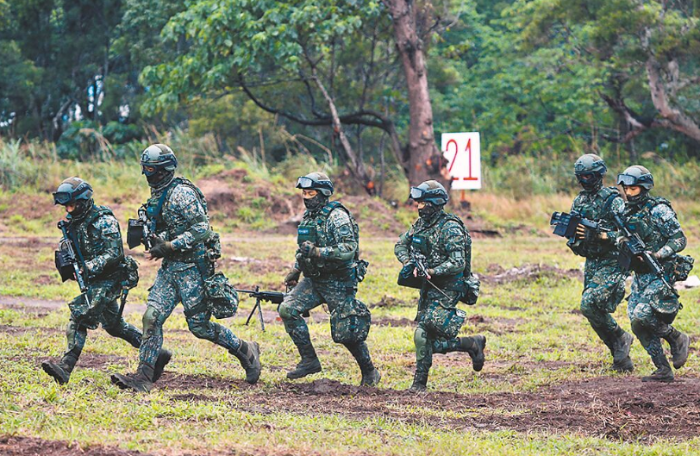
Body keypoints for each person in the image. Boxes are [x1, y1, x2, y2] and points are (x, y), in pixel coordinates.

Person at [111, 144, 260, 392]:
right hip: (171, 269)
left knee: (200, 327)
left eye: (152, 169)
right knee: (151, 317)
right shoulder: (158, 195)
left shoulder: (182, 194)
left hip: (194, 267)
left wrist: (170, 245)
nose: (148, 174)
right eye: (145, 169)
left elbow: (203, 229)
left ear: (165, 170)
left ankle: (246, 350)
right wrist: (155, 240)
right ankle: (143, 377)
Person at [43, 177, 171, 384]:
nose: (68, 210)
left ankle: (65, 366)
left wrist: (87, 267)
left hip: (112, 278)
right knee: (114, 326)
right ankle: (157, 354)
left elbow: (114, 254)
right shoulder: (73, 222)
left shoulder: (104, 221)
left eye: (72, 205)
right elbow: (69, 246)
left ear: (83, 201)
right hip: (94, 280)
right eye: (65, 206)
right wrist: (67, 261)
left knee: (79, 315)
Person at [278, 172, 380, 386]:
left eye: (311, 193)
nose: (306, 197)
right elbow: (304, 248)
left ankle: (369, 371)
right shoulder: (309, 217)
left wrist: (318, 252)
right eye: (304, 193)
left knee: (347, 330)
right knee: (287, 309)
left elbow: (348, 249)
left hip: (338, 281)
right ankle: (309, 360)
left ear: (323, 194)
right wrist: (296, 270)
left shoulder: (337, 216)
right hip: (314, 280)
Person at [394, 180, 485, 392]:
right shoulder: (420, 225)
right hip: (428, 286)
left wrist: (432, 271)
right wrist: (410, 263)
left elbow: (457, 263)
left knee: (422, 332)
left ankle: (419, 383)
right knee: (427, 339)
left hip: (449, 287)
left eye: (423, 203)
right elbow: (400, 245)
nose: (418, 207)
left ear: (434, 203)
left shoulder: (450, 227)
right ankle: (471, 343)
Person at [608, 165, 691, 382]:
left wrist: (658, 253)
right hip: (640, 275)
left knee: (643, 315)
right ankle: (662, 369)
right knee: (635, 322)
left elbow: (679, 239)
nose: (628, 193)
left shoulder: (658, 210)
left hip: (660, 271)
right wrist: (622, 243)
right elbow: (618, 237)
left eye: (633, 189)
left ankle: (677, 338)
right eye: (626, 189)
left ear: (644, 188)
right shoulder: (625, 212)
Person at [567, 154, 633, 372]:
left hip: (612, 261)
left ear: (599, 175)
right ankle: (620, 356)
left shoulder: (612, 200)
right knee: (591, 309)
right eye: (581, 176)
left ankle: (621, 338)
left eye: (589, 175)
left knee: (589, 304)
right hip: (592, 262)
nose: (585, 180)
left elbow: (627, 235)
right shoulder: (580, 201)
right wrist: (575, 238)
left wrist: (600, 235)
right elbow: (574, 234)